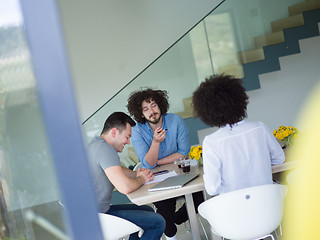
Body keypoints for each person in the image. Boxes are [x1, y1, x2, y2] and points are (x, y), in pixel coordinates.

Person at [127, 88, 204, 240]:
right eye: (146, 109)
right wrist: (155, 142)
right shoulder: (137, 131)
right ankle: (171, 234)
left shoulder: (176, 121)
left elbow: (183, 152)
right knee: (164, 207)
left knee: (199, 198)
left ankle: (177, 219)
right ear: (141, 113)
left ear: (160, 105)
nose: (151, 111)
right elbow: (148, 165)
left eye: (154, 105)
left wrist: (155, 162)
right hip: (156, 179)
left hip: (181, 173)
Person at [192, 74, 285, 196]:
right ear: (240, 99)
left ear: (206, 111)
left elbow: (212, 189)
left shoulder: (212, 142)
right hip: (269, 207)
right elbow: (279, 158)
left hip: (235, 211)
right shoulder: (259, 128)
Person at [87, 112, 165, 240]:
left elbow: (119, 170)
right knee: (158, 222)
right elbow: (125, 188)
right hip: (96, 218)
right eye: (127, 137)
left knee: (147, 211)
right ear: (114, 132)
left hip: (93, 214)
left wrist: (137, 174)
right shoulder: (105, 149)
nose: (128, 142)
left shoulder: (96, 144)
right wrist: (142, 178)